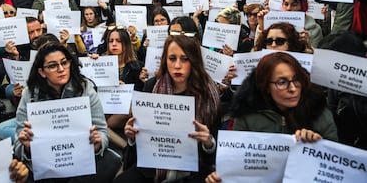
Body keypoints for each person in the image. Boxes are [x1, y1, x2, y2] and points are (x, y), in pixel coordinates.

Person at [205, 52, 338, 183]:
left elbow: (334, 170)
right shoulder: (247, 117)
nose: (293, 88)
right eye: (282, 82)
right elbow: (234, 164)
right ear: (266, 86)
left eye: (297, 79)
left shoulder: (320, 114)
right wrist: (221, 177)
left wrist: (319, 147)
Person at [115, 34, 221, 183]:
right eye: (172, 58)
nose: (177, 65)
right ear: (165, 60)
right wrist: (132, 137)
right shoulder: (152, 86)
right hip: (153, 166)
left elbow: (215, 151)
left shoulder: (208, 94)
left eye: (185, 59)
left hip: (193, 169)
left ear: (194, 61)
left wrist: (208, 142)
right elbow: (139, 147)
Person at [13, 42, 120, 181]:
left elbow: (101, 129)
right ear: (41, 72)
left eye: (64, 62)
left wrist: (98, 143)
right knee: (16, 170)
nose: (61, 69)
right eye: (52, 66)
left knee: (112, 160)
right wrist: (27, 148)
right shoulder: (30, 94)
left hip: (80, 156)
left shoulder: (85, 88)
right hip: (46, 160)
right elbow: (18, 142)